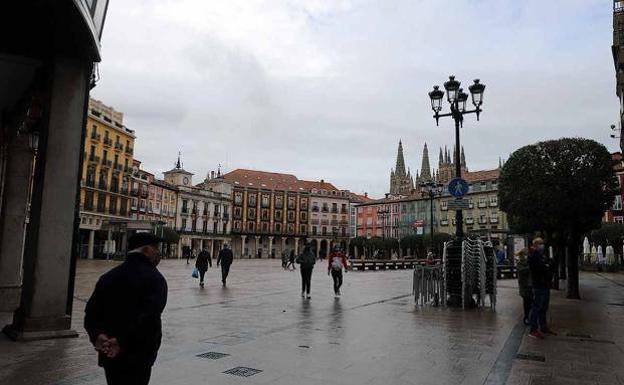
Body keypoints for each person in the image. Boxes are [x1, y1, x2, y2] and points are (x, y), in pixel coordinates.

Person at [84, 233, 168, 385]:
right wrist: (121, 341)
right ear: (147, 250)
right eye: (156, 249)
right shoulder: (155, 279)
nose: (159, 253)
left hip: (108, 352)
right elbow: (149, 318)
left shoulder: (109, 276)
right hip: (138, 354)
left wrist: (97, 335)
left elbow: (91, 312)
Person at [527, 237, 557, 339]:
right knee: (536, 307)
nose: (542, 245)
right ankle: (533, 329)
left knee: (544, 307)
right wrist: (546, 266)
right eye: (540, 244)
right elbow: (540, 268)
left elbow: (548, 267)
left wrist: (548, 266)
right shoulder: (534, 256)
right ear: (535, 245)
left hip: (545, 284)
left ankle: (543, 326)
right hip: (538, 285)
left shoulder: (542, 256)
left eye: (542, 244)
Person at [516, 248, 532, 325]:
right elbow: (522, 271)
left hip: (530, 285)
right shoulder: (519, 263)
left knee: (531, 301)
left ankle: (530, 317)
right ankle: (526, 317)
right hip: (524, 286)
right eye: (525, 254)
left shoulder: (529, 262)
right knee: (526, 302)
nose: (526, 256)